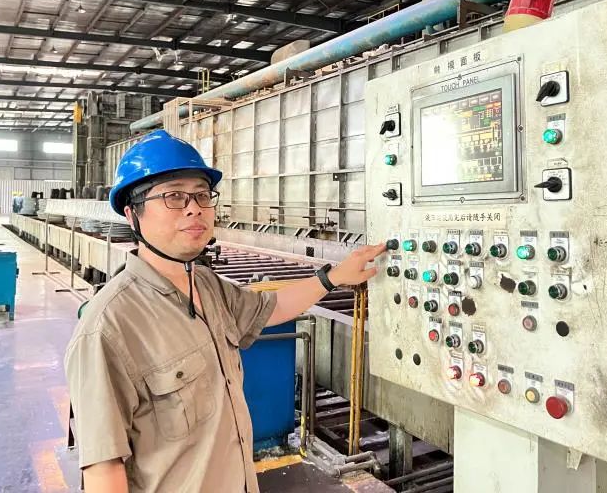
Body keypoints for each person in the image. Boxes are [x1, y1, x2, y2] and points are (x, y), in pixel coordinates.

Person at [65, 129, 385, 493]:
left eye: (202, 195)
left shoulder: (206, 285)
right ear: (131, 214)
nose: (194, 208)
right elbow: (104, 471)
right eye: (174, 196)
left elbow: (271, 308)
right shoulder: (108, 328)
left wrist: (334, 277)